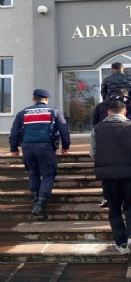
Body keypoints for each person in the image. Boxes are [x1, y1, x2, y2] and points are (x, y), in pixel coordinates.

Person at [90, 100, 131, 255]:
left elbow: (93, 152)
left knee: (114, 208)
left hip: (108, 175)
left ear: (108, 112)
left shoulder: (97, 129)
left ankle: (121, 244)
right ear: (124, 112)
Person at [9, 89, 71, 220]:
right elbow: (64, 130)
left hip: (27, 147)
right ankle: (40, 205)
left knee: (33, 173)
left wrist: (13, 148)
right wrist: (65, 146)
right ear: (46, 99)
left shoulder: (23, 113)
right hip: (45, 147)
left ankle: (35, 203)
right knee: (48, 174)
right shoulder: (54, 111)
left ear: (33, 99)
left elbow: (14, 132)